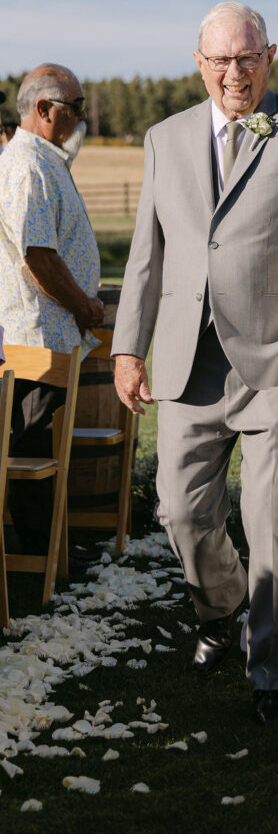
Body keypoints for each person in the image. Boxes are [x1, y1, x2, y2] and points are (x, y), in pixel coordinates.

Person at [112, 2, 278, 723]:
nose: (235, 73)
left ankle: (273, 673)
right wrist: (128, 346)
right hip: (185, 367)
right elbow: (147, 255)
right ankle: (218, 608)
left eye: (248, 58)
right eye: (221, 60)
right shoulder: (163, 139)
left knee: (274, 524)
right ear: (199, 63)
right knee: (179, 512)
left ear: (270, 56)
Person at [0, 64, 103, 558]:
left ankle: (51, 548)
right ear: (44, 109)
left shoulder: (44, 158)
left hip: (49, 334)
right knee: (32, 447)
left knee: (41, 443)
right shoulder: (27, 163)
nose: (82, 115)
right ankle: (40, 557)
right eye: (76, 106)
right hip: (36, 338)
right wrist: (84, 305)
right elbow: (37, 253)